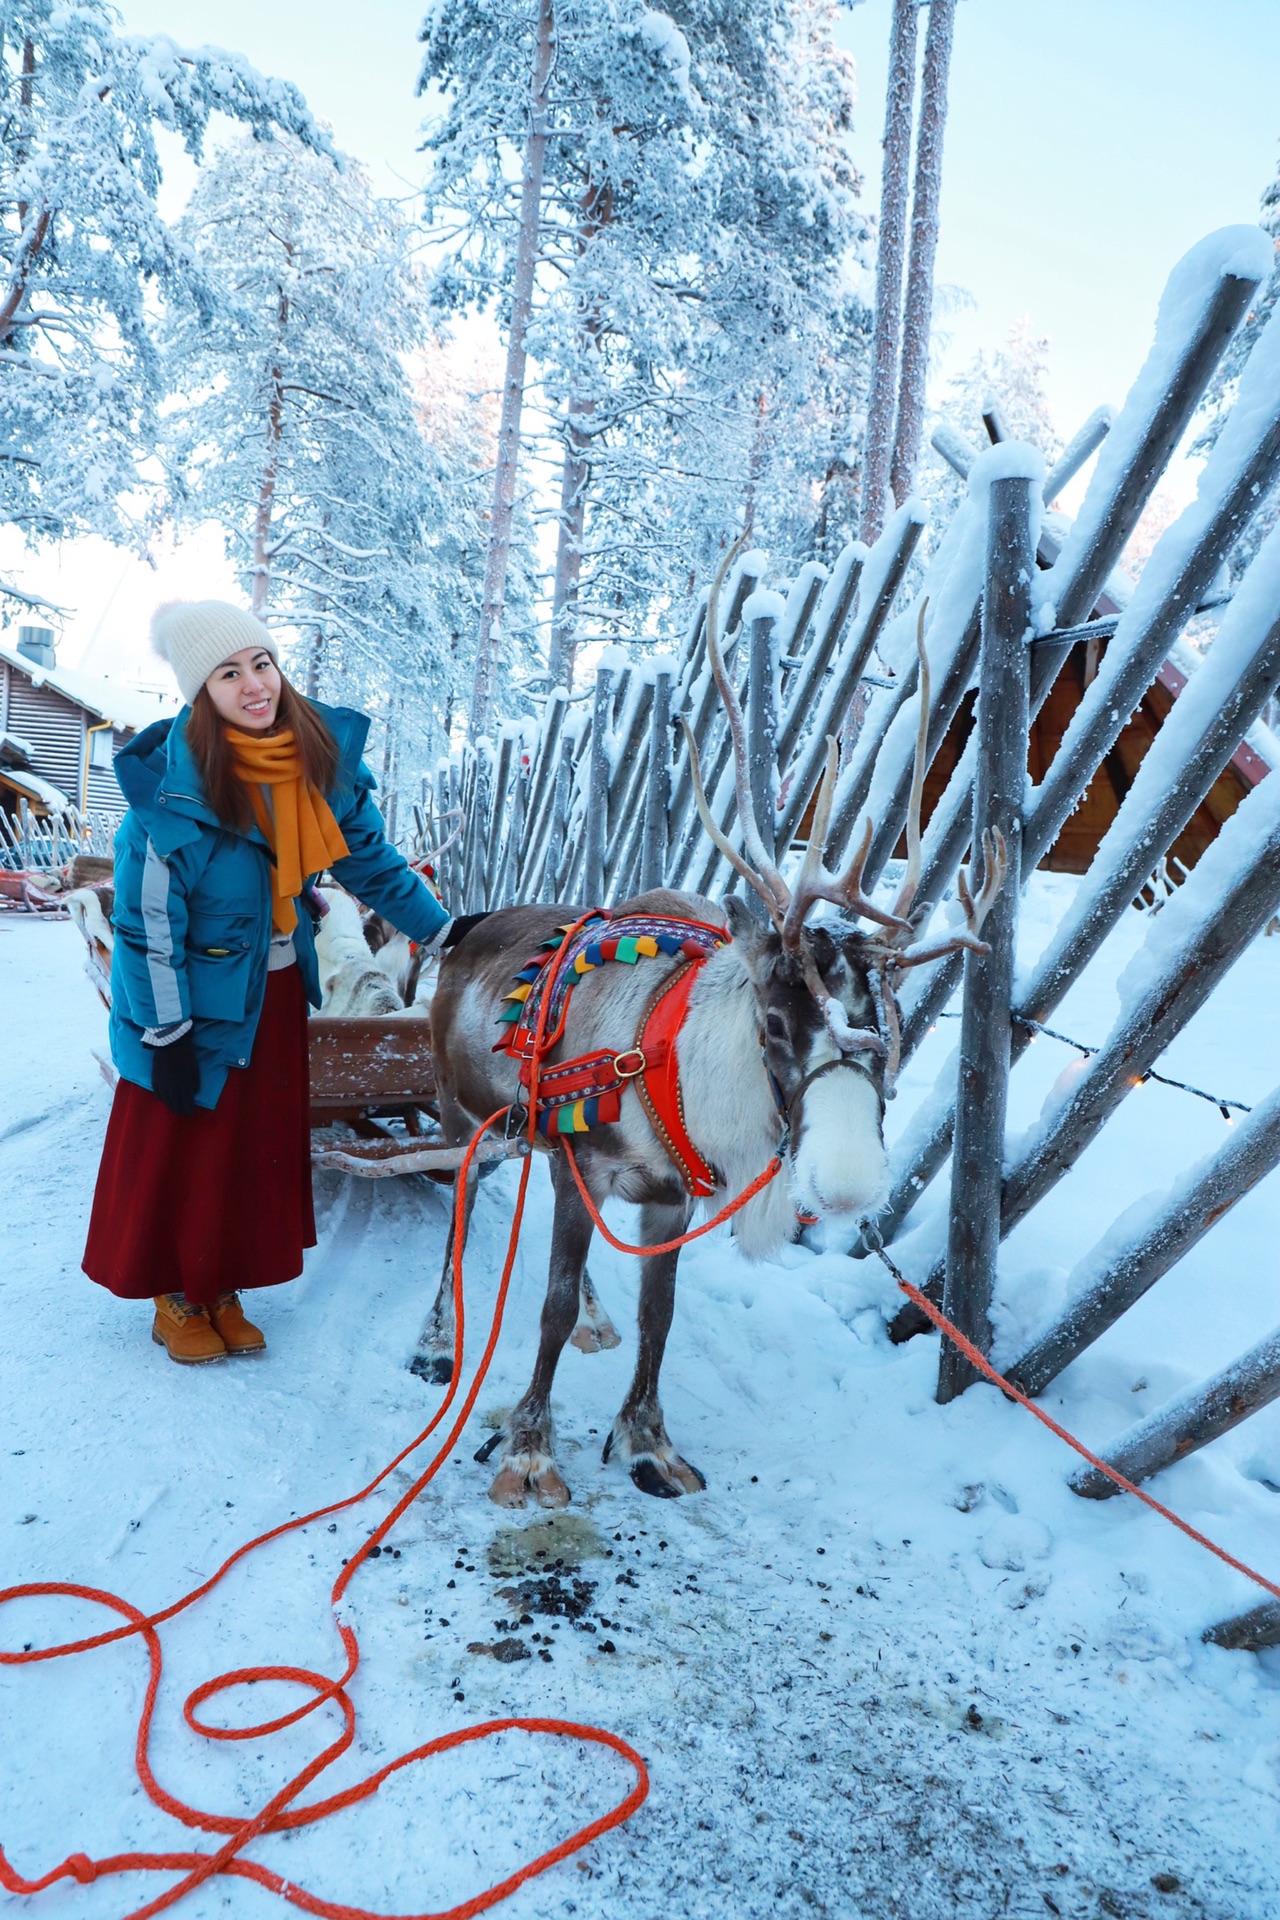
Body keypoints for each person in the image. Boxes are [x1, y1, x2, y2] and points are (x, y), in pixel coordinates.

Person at [82, 600, 452, 1364]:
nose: (255, 685)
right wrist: (166, 1035)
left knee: (247, 1150)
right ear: (200, 693)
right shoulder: (169, 798)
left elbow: (370, 861)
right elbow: (147, 931)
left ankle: (222, 1286)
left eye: (262, 663)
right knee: (187, 1144)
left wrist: (444, 930)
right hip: (186, 1008)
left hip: (276, 992)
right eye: (228, 673)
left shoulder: (312, 762)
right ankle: (175, 1294)